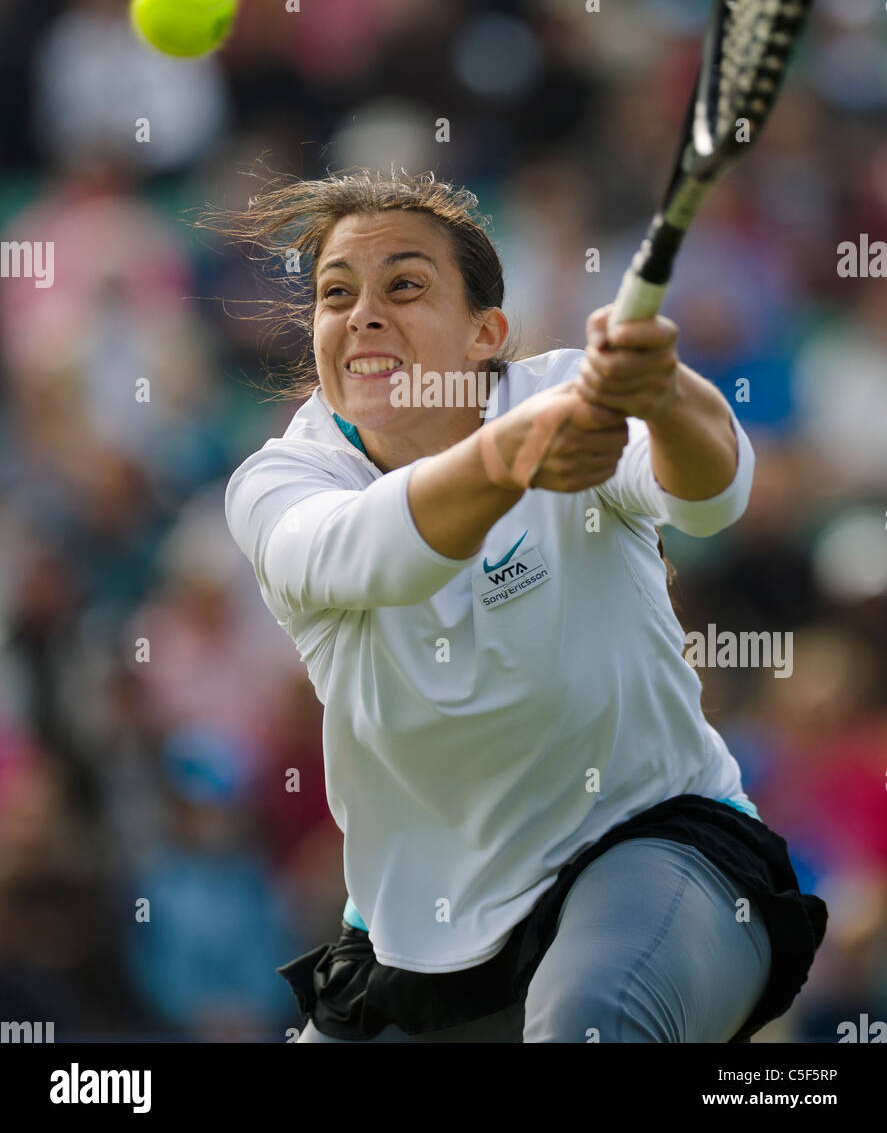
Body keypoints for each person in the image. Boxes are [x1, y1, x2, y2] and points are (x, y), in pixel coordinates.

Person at [222, 168, 827, 1043]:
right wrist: (511, 456)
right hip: (415, 939)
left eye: (404, 285)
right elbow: (374, 554)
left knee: (591, 1022)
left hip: (650, 847)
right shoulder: (281, 481)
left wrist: (665, 393)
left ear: (485, 332)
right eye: (334, 294)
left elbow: (711, 496)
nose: (362, 313)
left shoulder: (562, 392)